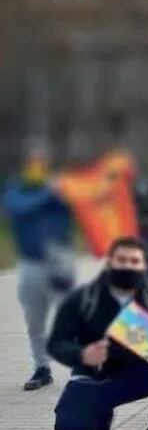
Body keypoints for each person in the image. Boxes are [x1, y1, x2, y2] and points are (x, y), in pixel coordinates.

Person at [48, 237, 148, 430]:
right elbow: (56, 343)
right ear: (109, 263)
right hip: (97, 375)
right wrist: (81, 354)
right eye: (121, 260)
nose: (128, 266)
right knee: (69, 428)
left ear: (144, 266)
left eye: (134, 261)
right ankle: (100, 424)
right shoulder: (82, 299)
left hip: (139, 372)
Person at [3, 149, 75, 391]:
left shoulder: (62, 190)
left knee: (69, 315)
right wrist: (49, 191)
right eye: (33, 162)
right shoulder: (16, 190)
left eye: (41, 162)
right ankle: (42, 368)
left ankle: (81, 367)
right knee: (35, 320)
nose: (37, 167)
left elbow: (80, 209)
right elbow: (18, 208)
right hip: (30, 264)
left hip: (60, 261)